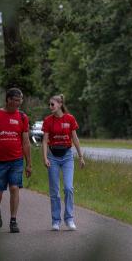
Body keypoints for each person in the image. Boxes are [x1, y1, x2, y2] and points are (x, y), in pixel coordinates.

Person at [0, 87, 32, 233]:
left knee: (14, 188)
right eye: (16, 100)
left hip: (16, 160)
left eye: (20, 100)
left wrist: (29, 164)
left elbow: (26, 142)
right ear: (8, 100)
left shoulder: (23, 117)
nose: (19, 103)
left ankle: (13, 221)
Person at [41, 94, 85, 231]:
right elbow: (44, 141)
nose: (50, 107)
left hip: (67, 156)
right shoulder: (48, 120)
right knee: (54, 191)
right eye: (49, 104)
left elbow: (75, 138)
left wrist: (81, 156)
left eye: (52, 104)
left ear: (60, 104)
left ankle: (69, 218)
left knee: (68, 188)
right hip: (53, 157)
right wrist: (45, 157)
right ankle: (55, 221)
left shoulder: (70, 119)